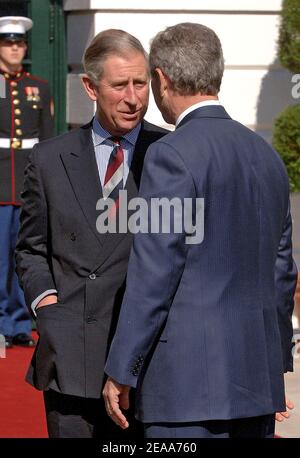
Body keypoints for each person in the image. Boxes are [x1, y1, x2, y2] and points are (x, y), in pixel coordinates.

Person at [103, 23, 298, 438]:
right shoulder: (267, 157)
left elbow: (154, 273)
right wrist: (275, 363)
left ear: (162, 79)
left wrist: (122, 368)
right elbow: (282, 273)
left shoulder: (170, 154)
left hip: (186, 392)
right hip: (256, 384)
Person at [15, 29, 167, 438]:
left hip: (147, 364)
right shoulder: (49, 159)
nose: (134, 98)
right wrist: (47, 305)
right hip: (70, 357)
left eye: (141, 84)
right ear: (90, 87)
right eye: (120, 85)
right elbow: (31, 249)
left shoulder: (172, 153)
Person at [0, 16, 53, 349]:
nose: (16, 48)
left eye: (20, 43)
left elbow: (46, 136)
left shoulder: (39, 86)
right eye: (9, 42)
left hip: (27, 182)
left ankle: (18, 322)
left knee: (24, 255)